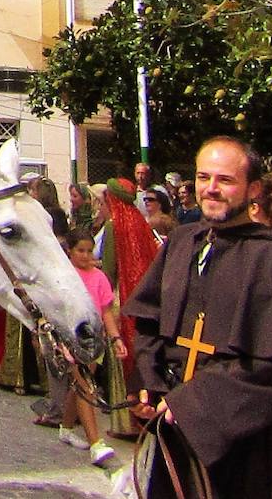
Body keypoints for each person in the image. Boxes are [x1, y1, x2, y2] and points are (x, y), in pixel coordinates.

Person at [124, 136, 272, 499]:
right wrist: (150, 380)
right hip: (180, 436)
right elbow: (149, 321)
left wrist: (194, 402)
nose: (211, 189)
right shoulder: (182, 243)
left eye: (225, 180)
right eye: (204, 178)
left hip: (257, 453)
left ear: (252, 189)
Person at [92, 177, 158, 439]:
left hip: (120, 299)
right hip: (141, 299)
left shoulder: (112, 225)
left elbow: (109, 271)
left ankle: (125, 422)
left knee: (118, 360)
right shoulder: (142, 223)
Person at [56, 227, 125, 467]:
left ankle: (65, 427)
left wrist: (115, 338)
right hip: (71, 335)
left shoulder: (99, 277)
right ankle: (95, 443)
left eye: (89, 251)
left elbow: (106, 311)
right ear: (70, 251)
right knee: (86, 386)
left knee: (80, 385)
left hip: (94, 338)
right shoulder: (64, 275)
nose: (85, 256)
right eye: (80, 251)